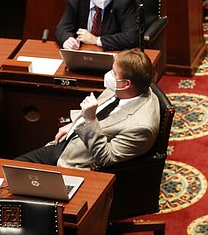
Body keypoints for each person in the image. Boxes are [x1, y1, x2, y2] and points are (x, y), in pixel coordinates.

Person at [15, 49, 160, 169]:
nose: (109, 75)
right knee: (11, 170)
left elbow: (105, 158)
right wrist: (75, 124)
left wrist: (90, 120)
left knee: (16, 183)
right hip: (64, 144)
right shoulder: (127, 88)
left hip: (74, 165)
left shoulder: (142, 127)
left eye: (114, 73)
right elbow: (104, 110)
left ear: (127, 84)